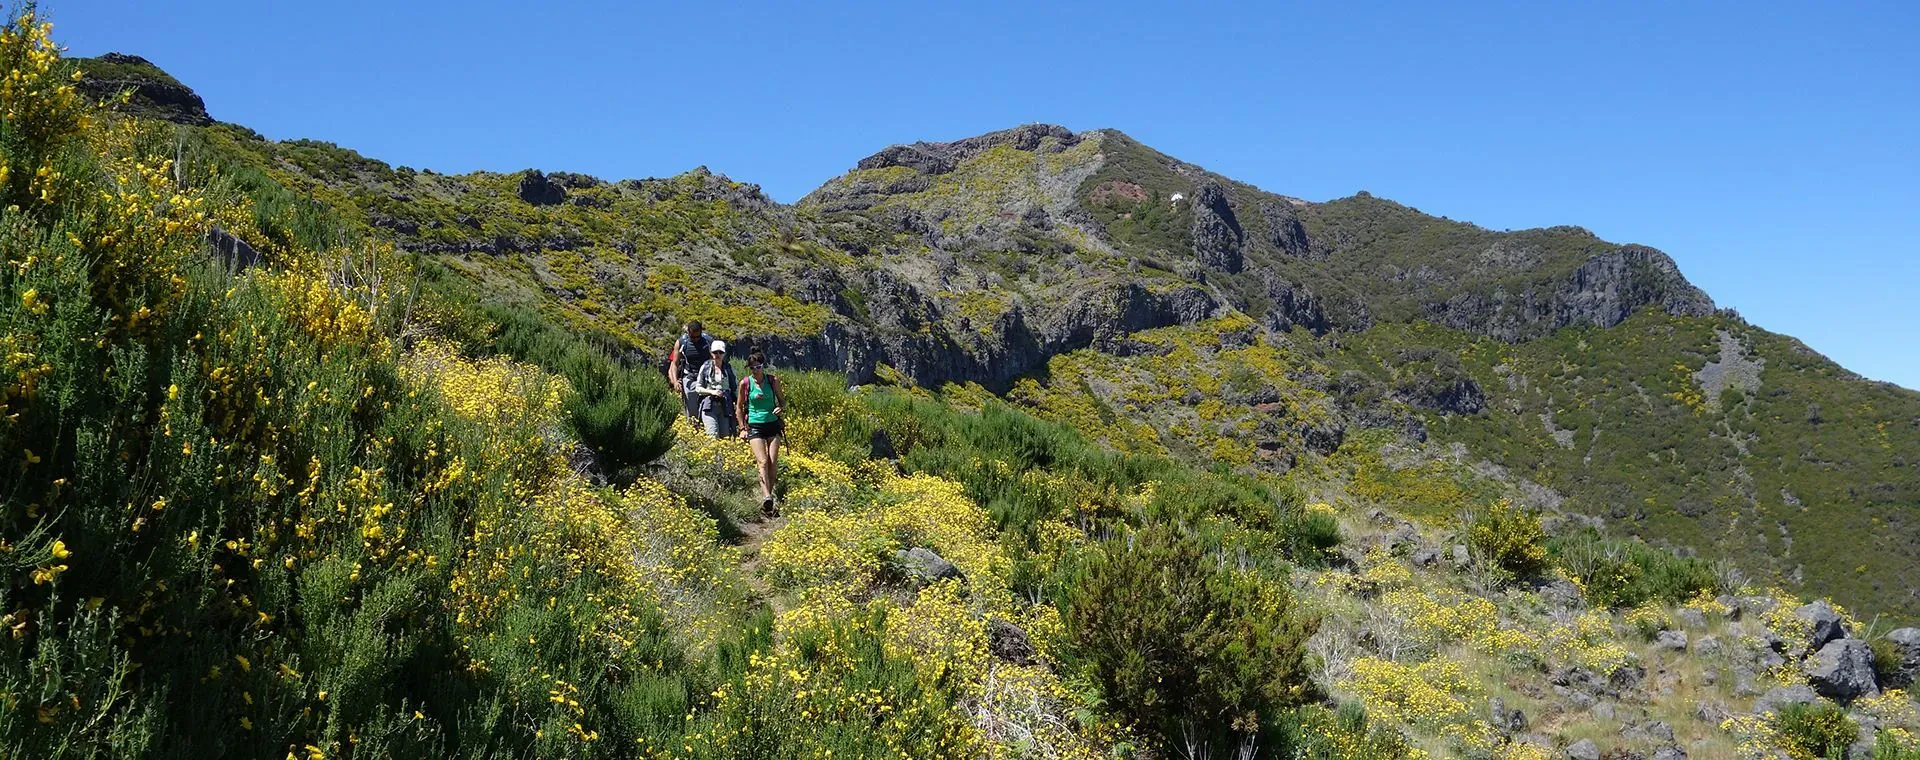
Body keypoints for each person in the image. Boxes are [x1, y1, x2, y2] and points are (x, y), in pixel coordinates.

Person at [735, 350, 784, 516]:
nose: (755, 370)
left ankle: (768, 502)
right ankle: (767, 496)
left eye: (758, 366)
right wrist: (742, 428)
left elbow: (782, 400)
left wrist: (780, 408)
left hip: (773, 424)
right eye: (752, 367)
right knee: (762, 461)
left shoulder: (772, 380)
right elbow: (739, 407)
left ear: (763, 366)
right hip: (755, 425)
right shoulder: (745, 383)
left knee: (772, 461)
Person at [666, 320, 714, 424]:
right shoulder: (682, 342)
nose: (696, 339)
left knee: (709, 406)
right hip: (690, 377)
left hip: (706, 377)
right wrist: (675, 382)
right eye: (693, 337)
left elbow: (717, 360)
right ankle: (694, 428)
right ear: (688, 332)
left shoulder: (708, 341)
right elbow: (674, 364)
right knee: (691, 409)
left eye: (698, 336)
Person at [688, 340, 737, 438]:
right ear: (711, 353)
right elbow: (698, 388)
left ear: (724, 353)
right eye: (715, 352)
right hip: (709, 405)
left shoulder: (728, 368)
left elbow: (735, 388)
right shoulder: (705, 367)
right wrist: (711, 392)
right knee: (712, 434)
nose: (718, 355)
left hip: (725, 406)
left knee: (726, 436)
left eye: (720, 352)